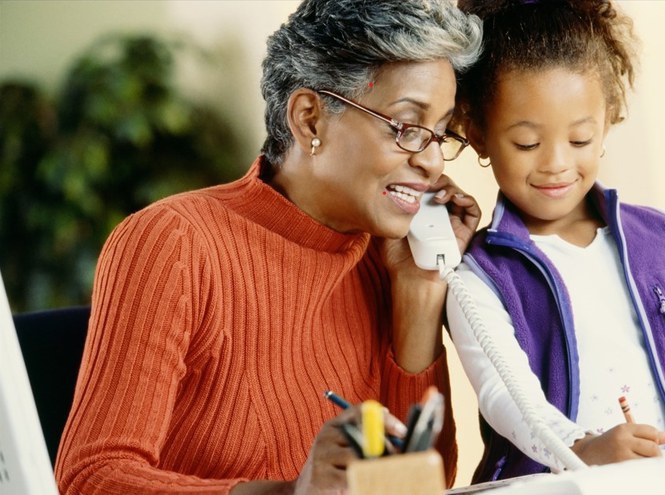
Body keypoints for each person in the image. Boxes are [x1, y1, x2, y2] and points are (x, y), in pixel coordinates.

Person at [54, 1, 483, 493]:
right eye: (408, 127)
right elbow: (91, 479)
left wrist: (419, 294)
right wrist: (290, 492)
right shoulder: (174, 242)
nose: (431, 162)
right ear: (309, 120)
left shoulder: (389, 257)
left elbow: (422, 482)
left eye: (440, 134)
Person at [445, 0, 665, 483]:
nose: (555, 163)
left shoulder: (663, 238)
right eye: (527, 143)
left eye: (579, 140)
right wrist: (584, 447)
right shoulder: (480, 276)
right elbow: (507, 399)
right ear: (478, 133)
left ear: (608, 120)